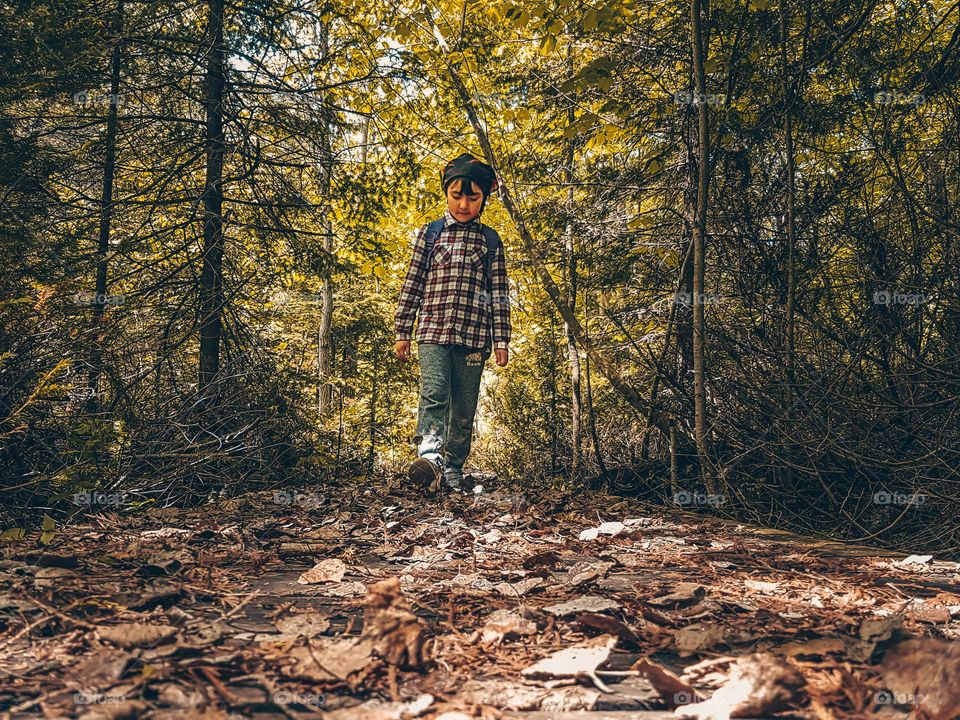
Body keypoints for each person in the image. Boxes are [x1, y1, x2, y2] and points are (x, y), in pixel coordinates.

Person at [394, 152, 511, 494]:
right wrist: (403, 330)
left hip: (474, 338)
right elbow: (413, 283)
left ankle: (454, 468)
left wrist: (501, 339)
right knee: (433, 394)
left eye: (472, 198)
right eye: (456, 196)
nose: (463, 205)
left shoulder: (490, 241)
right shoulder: (430, 234)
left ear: (484, 199)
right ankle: (430, 460)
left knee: (463, 406)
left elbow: (499, 293)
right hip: (432, 332)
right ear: (446, 193)